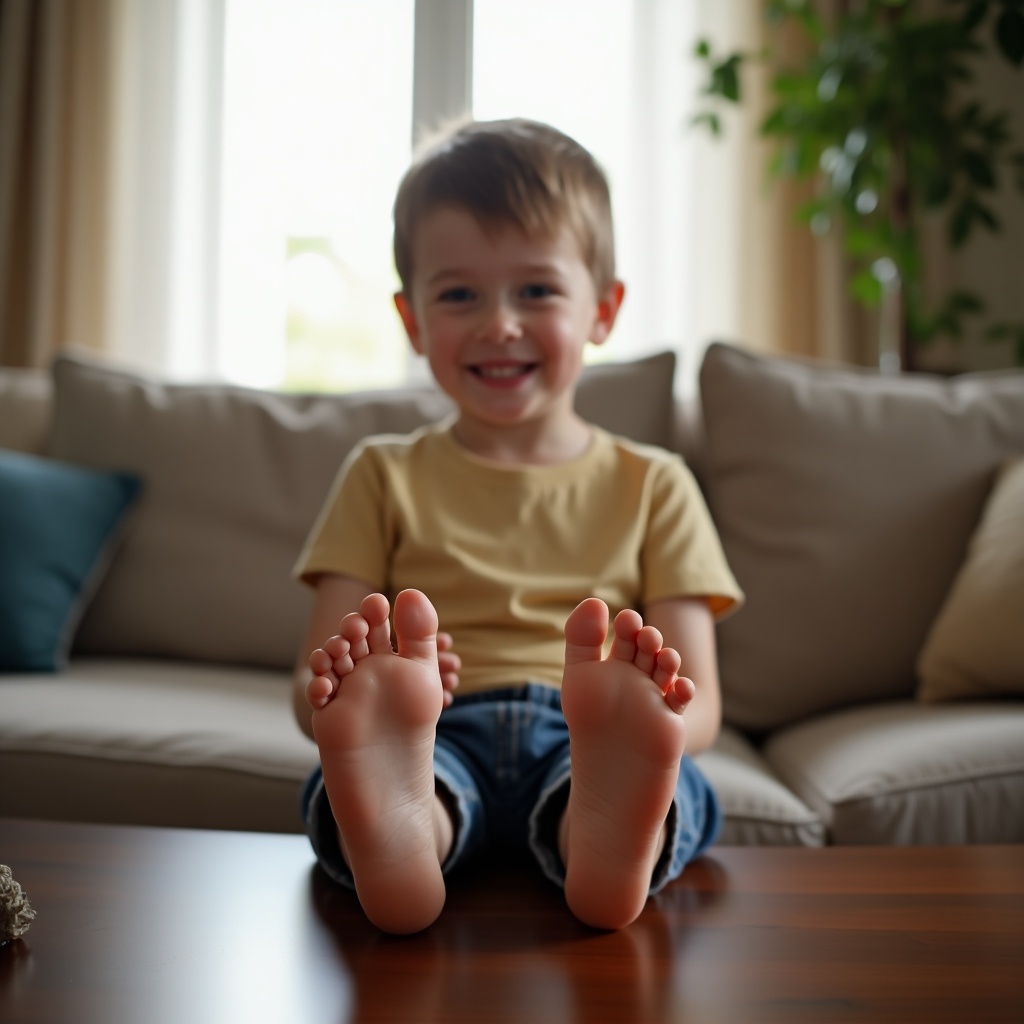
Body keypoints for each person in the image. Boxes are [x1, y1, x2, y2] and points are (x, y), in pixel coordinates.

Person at [292, 118, 743, 935]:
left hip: (592, 734)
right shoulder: (379, 474)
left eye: (536, 290)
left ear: (603, 309)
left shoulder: (656, 485)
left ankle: (598, 832)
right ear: (412, 320)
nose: (498, 323)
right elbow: (314, 689)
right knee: (356, 778)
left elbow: (699, 703)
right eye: (460, 293)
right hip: (432, 728)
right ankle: (405, 832)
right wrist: (372, 688)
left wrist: (659, 713)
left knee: (673, 778)